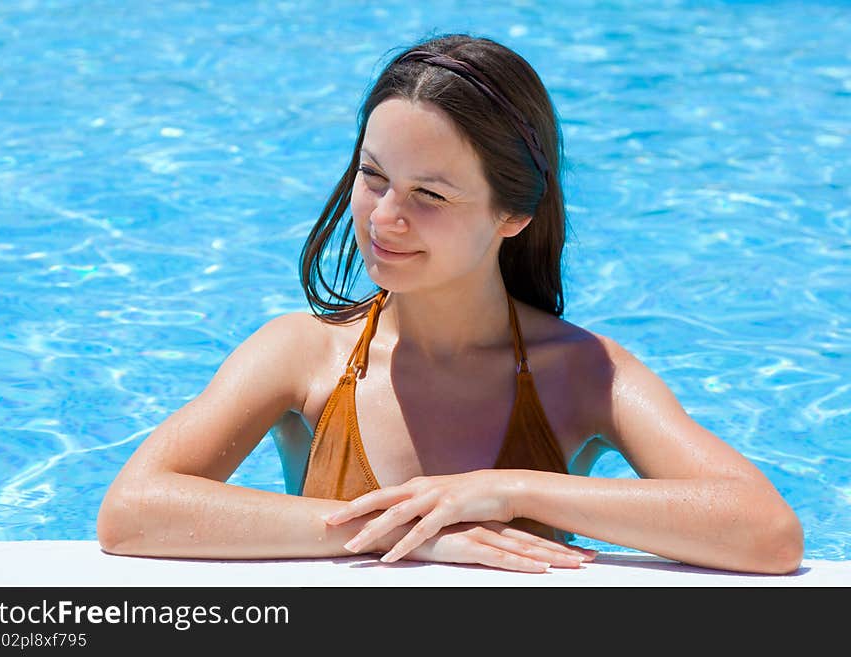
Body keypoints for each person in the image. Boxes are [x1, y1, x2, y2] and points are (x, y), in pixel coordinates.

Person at [97, 33, 804, 575]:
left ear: (512, 215)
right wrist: (417, 531)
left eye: (429, 195)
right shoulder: (303, 354)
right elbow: (131, 512)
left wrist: (503, 490)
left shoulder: (582, 373)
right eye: (373, 177)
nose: (383, 218)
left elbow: (766, 531)